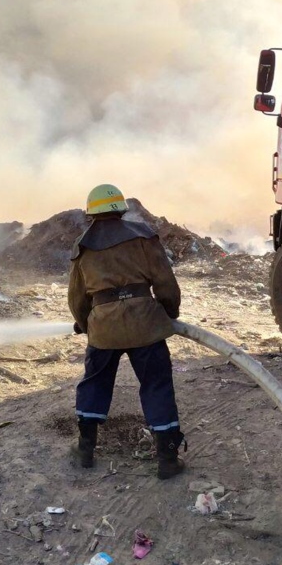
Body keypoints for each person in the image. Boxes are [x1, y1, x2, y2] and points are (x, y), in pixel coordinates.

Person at [68, 183, 186, 479]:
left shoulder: (83, 247)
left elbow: (77, 298)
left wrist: (85, 325)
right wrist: (168, 313)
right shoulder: (144, 236)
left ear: (91, 214)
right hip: (145, 324)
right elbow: (166, 283)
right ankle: (168, 459)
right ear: (121, 210)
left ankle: (85, 449)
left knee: (95, 381)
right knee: (156, 384)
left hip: (104, 327)